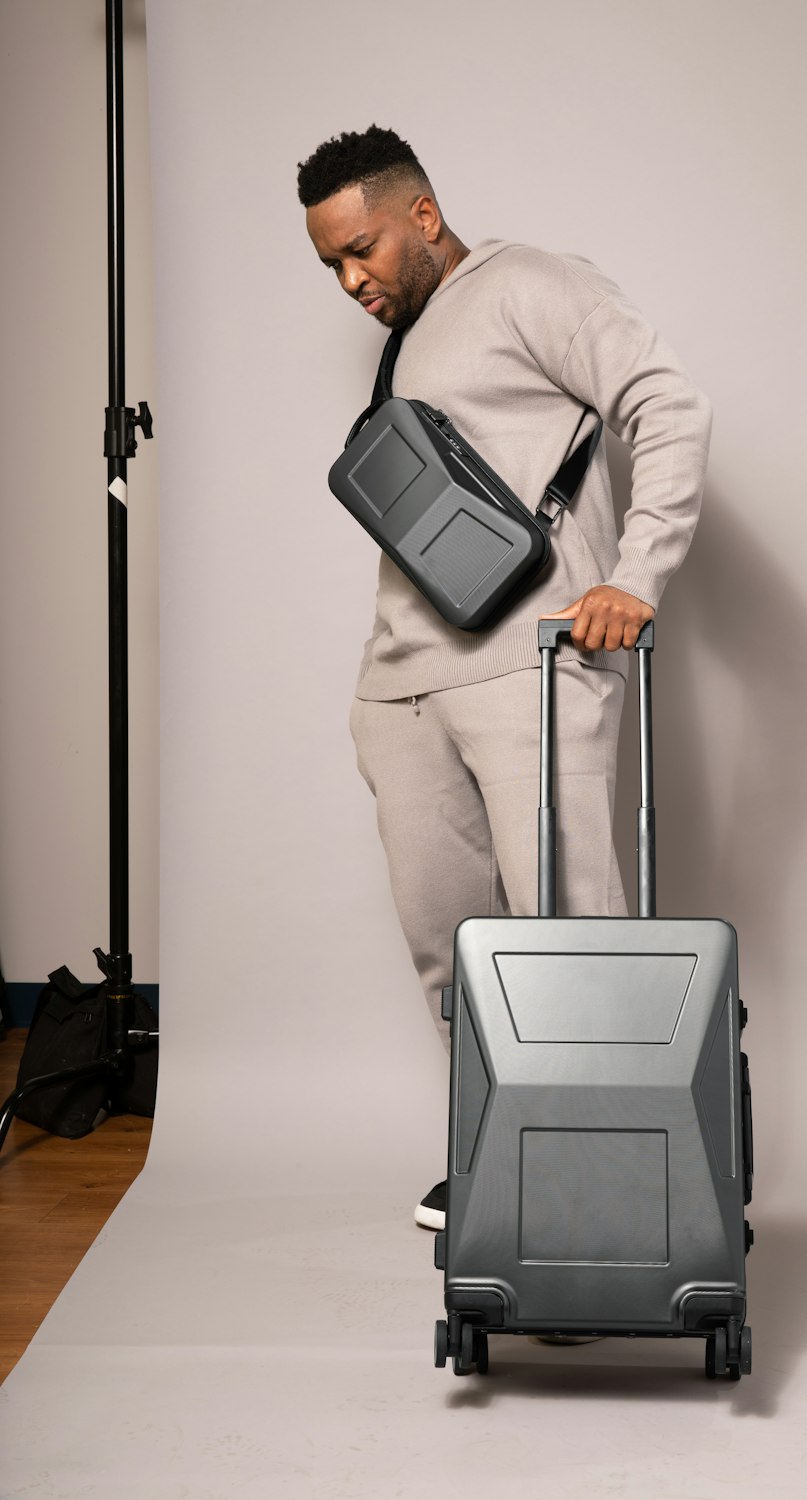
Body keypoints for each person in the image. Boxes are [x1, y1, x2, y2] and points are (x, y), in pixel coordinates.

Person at [298, 124, 712, 1234]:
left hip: (535, 660)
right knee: (450, 946)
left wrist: (638, 575)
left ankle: (603, 1199)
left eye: (363, 249)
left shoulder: (527, 283)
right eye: (332, 265)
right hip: (401, 684)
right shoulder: (409, 339)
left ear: (421, 215)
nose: (352, 280)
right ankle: (500, 1151)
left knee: (568, 937)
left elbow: (664, 399)